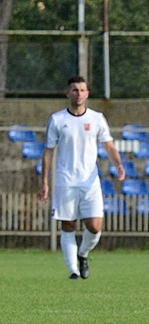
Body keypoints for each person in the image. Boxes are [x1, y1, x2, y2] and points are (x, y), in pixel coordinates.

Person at [39, 76, 126, 280]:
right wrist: (44, 181)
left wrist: (119, 165)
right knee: (68, 224)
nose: (78, 94)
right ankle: (73, 270)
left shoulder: (96, 118)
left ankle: (83, 254)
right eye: (75, 90)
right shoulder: (58, 119)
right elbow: (48, 151)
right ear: (67, 93)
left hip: (90, 181)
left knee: (95, 226)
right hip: (65, 181)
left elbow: (109, 145)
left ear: (87, 93)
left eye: (82, 90)